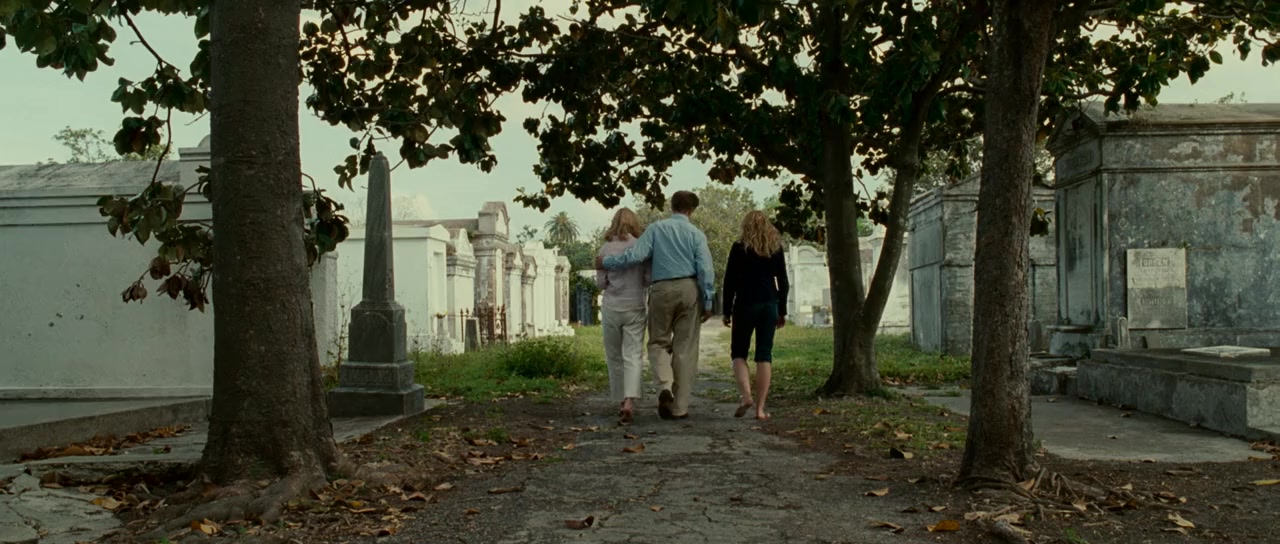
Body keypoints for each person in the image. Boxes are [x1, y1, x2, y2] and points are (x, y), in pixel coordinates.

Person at [597, 190, 714, 420]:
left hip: (661, 289)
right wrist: (708, 300)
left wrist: (607, 262)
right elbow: (705, 270)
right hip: (689, 288)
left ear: (672, 206)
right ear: (691, 210)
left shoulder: (655, 229)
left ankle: (664, 386)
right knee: (685, 348)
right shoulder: (696, 235)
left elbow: (634, 256)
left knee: (658, 341)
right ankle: (679, 408)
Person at [721, 210, 789, 420]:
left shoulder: (739, 248)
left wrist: (726, 310)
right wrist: (782, 310)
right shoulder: (775, 249)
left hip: (745, 304)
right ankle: (760, 409)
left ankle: (746, 396)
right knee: (764, 355)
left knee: (739, 353)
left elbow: (729, 281)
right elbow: (783, 282)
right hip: (769, 304)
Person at [596, 208, 650, 424]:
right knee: (633, 355)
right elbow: (648, 278)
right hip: (635, 306)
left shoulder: (605, 248)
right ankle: (630, 400)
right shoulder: (640, 247)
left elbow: (600, 283)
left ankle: (620, 399)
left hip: (611, 306)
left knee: (614, 356)